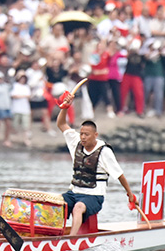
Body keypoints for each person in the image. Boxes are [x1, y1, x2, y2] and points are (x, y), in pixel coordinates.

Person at [56, 95, 137, 236]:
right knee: (54, 203)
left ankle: (70, 240)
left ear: (95, 135)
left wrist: (130, 194)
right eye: (81, 134)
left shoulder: (104, 152)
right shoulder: (76, 142)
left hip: (94, 196)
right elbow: (61, 124)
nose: (82, 137)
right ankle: (51, 234)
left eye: (86, 135)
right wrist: (65, 107)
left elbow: (120, 175)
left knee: (78, 208)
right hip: (74, 193)